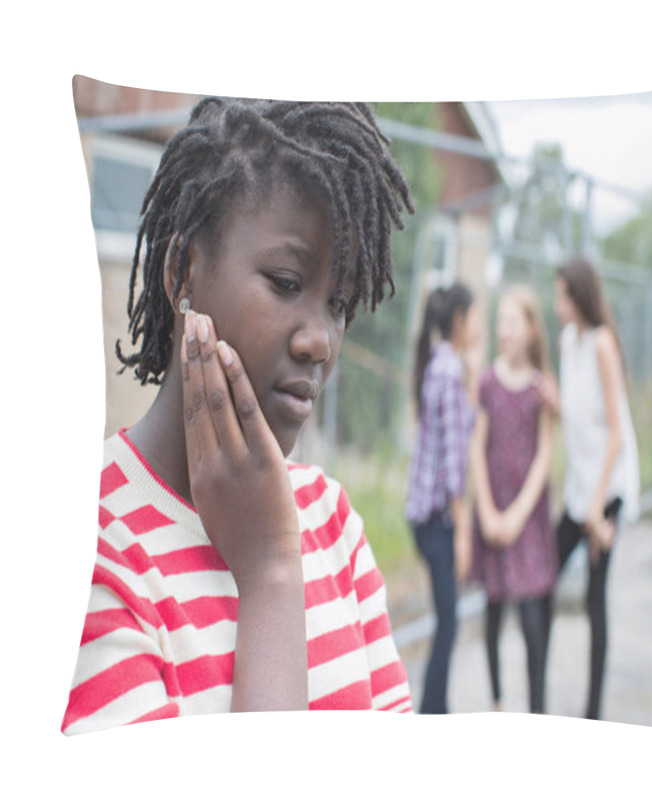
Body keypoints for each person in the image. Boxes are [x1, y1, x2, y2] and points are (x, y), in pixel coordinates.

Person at [62, 97, 416, 735]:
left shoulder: (331, 522)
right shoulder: (89, 549)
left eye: (338, 302)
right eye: (285, 281)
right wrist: (270, 570)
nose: (321, 341)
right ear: (181, 272)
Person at [548, 256, 640, 721]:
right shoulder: (568, 341)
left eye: (562, 294)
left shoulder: (603, 345)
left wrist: (597, 509)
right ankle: (539, 693)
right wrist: (553, 400)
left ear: (579, 297)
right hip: (582, 488)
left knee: (594, 600)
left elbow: (616, 434)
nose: (556, 303)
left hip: (609, 485)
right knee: (546, 576)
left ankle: (593, 714)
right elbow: (579, 415)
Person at [469, 285, 558, 714]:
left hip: (527, 518)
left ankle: (537, 710)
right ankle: (498, 703)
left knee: (531, 620)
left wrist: (517, 516)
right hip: (494, 513)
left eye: (511, 321)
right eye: (499, 320)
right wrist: (487, 513)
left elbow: (545, 452)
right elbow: (477, 448)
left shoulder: (542, 387)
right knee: (492, 609)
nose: (503, 329)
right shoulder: (488, 381)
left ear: (531, 329)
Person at [405, 282, 480, 714]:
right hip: (437, 521)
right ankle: (432, 712)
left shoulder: (439, 364)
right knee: (449, 621)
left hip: (423, 517)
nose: (477, 325)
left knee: (447, 619)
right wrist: (465, 532)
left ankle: (436, 709)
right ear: (458, 321)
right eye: (473, 317)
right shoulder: (450, 372)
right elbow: (454, 465)